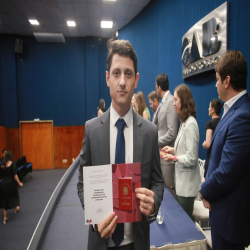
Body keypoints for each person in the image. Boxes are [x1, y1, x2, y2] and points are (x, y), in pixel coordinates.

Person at [77, 38, 164, 250]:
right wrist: (95, 219)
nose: (122, 81)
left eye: (128, 74)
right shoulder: (92, 129)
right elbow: (82, 184)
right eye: (116, 73)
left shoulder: (150, 132)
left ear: (136, 79)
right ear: (107, 78)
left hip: (137, 242)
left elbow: (157, 182)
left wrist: (153, 205)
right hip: (101, 241)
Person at [199, 51, 250, 250]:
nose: (216, 84)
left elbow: (227, 172)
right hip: (221, 213)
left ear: (227, 81)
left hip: (231, 221)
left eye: (217, 79)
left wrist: (204, 190)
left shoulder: (243, 117)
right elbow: (216, 157)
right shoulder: (231, 112)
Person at [161, 84, 200, 219]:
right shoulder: (184, 123)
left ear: (183, 101)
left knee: (186, 224)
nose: (173, 103)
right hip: (182, 185)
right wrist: (172, 150)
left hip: (187, 187)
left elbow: (191, 157)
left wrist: (173, 158)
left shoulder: (190, 124)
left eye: (176, 100)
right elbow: (184, 148)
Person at [155, 73, 179, 199]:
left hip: (168, 159)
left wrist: (156, 142)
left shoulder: (170, 102)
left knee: (171, 195)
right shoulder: (165, 103)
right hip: (162, 157)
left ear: (159, 87)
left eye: (155, 87)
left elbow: (172, 132)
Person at [0, 151, 23, 224]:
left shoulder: (2, 165)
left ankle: (5, 217)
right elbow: (15, 175)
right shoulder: (12, 164)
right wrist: (19, 183)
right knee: (13, 196)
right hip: (11, 184)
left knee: (4, 200)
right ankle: (15, 208)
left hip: (3, 184)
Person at [202, 99, 223, 177]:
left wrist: (204, 144)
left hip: (211, 161)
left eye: (209, 107)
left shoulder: (210, 124)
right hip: (220, 160)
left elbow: (208, 144)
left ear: (213, 110)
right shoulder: (222, 121)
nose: (208, 109)